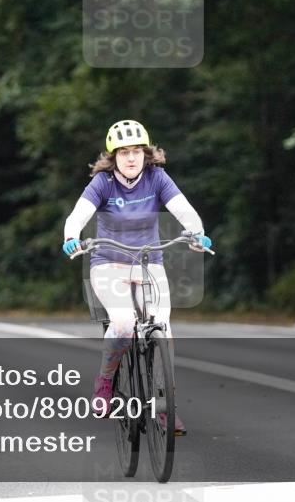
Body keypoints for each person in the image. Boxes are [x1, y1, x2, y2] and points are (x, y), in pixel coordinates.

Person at [62, 119, 212, 436]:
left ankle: (164, 406)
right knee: (123, 324)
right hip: (108, 264)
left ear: (146, 153)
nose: (131, 158)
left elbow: (184, 210)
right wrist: (71, 237)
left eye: (137, 151)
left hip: (148, 264)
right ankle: (105, 382)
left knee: (163, 330)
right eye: (124, 152)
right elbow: (78, 215)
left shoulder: (157, 178)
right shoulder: (103, 183)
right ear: (113, 156)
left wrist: (197, 233)